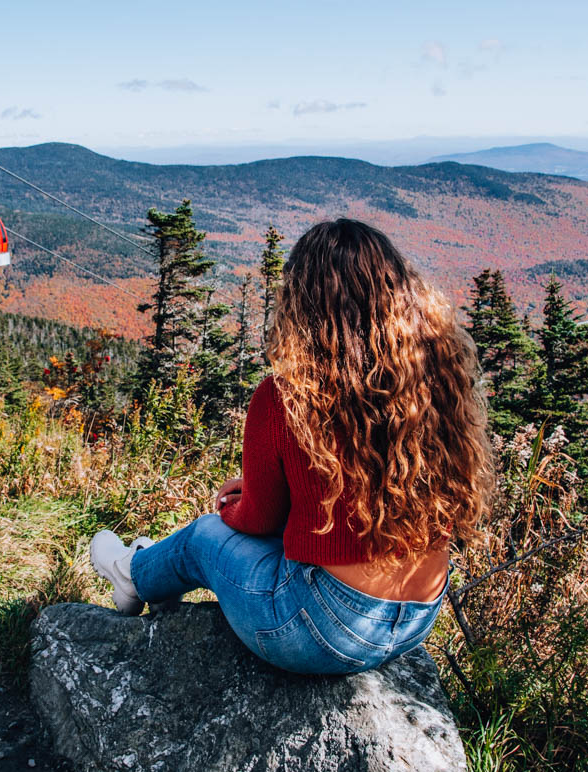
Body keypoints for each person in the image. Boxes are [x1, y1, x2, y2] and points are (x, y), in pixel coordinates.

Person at [90, 218, 492, 675]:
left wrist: (234, 506)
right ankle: (146, 569)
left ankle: (131, 575)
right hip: (418, 618)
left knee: (203, 537)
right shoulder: (431, 382)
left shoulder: (287, 397)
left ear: (303, 307)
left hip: (326, 627)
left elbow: (260, 520)